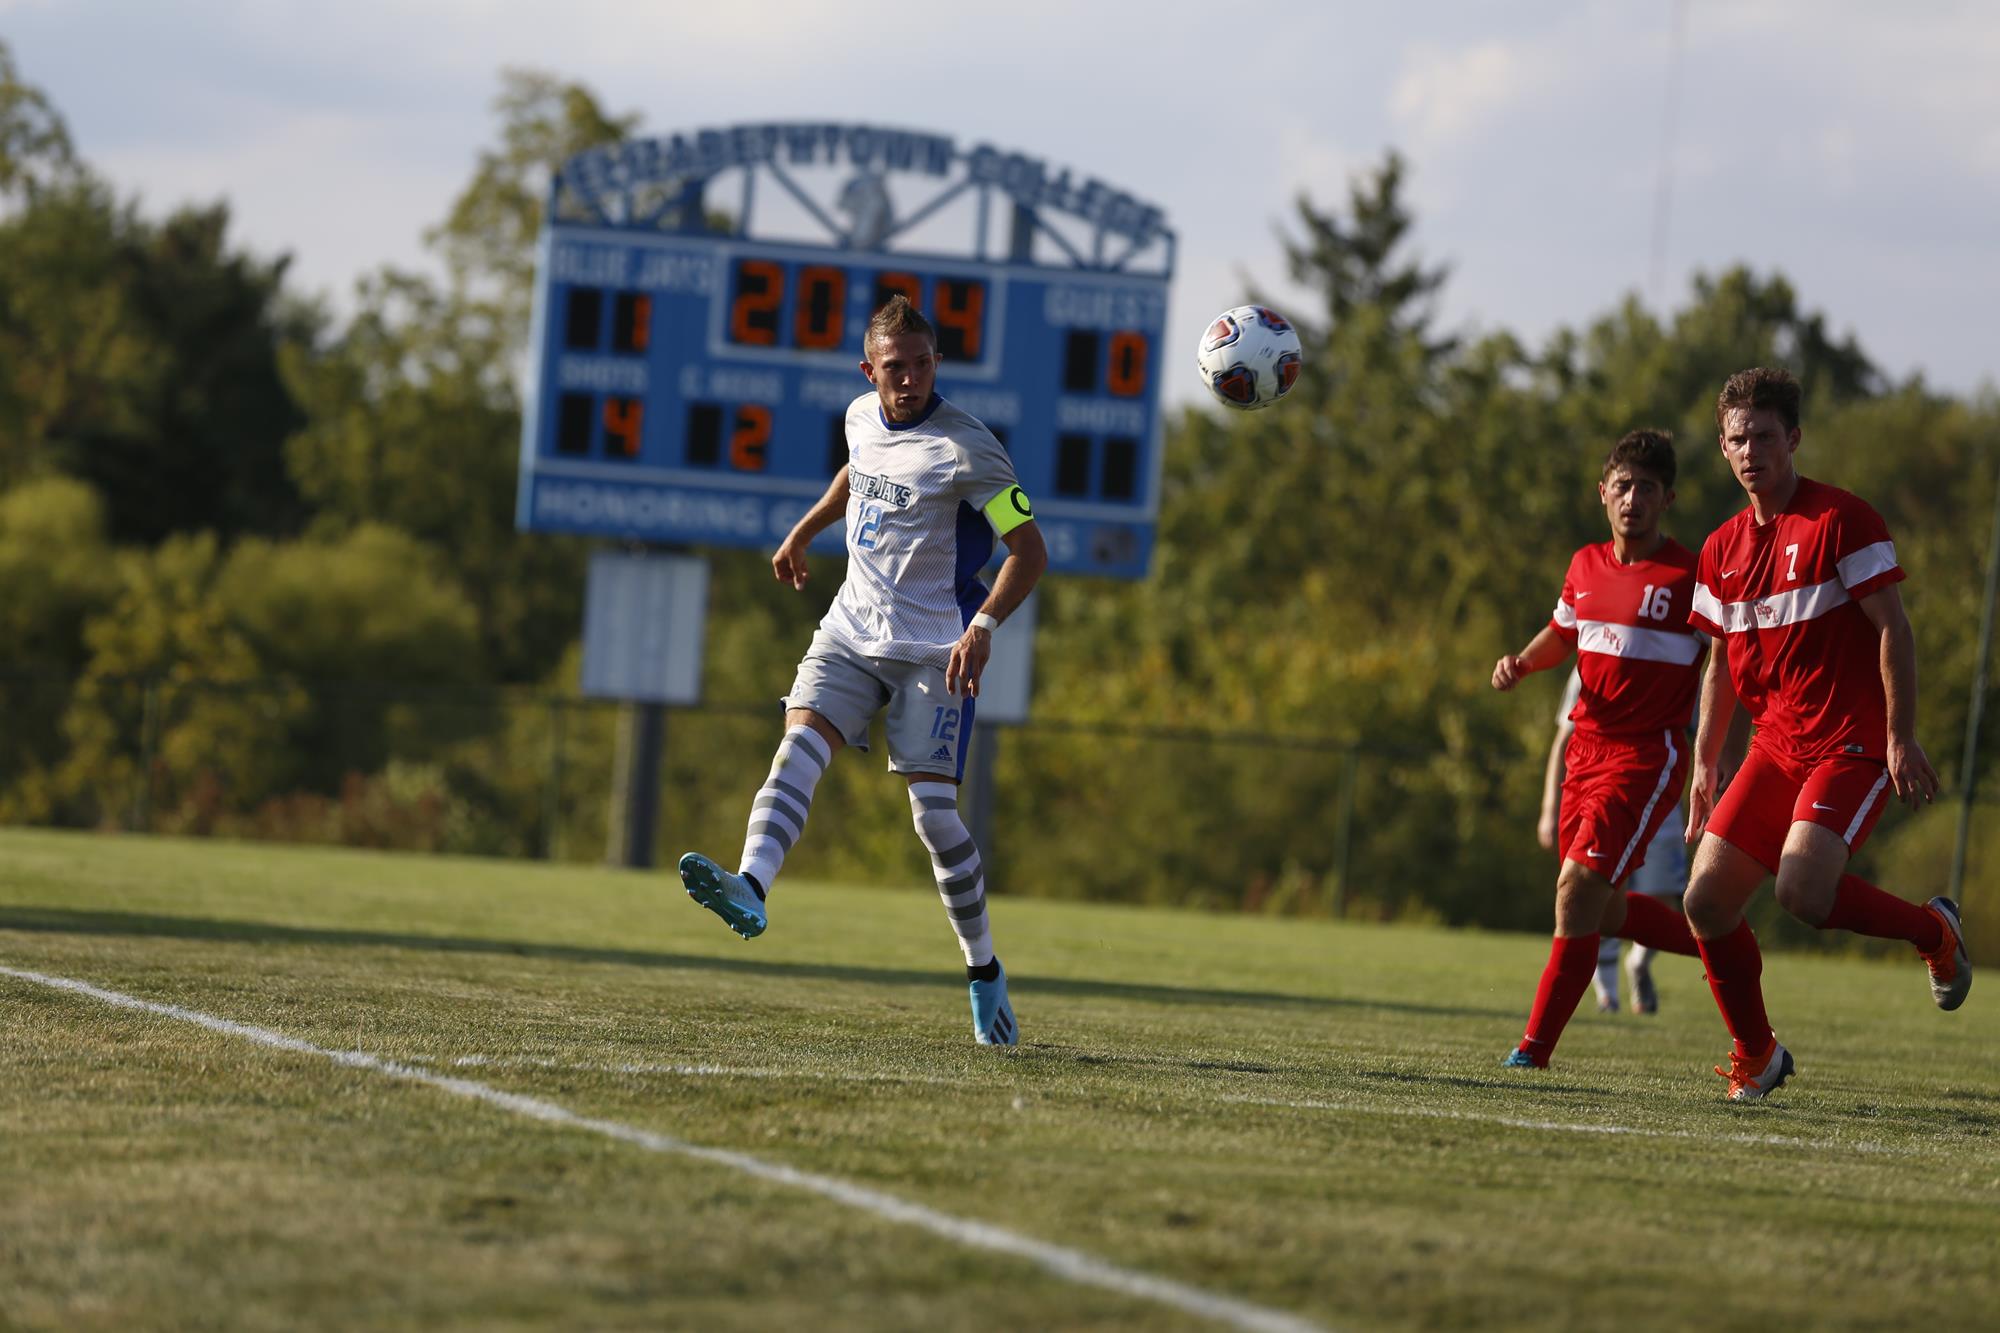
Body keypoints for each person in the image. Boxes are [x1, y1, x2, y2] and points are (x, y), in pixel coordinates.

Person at [676, 296, 1048, 1046]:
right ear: (868, 371)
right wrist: (805, 529)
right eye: (894, 367)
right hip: (849, 629)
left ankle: (983, 971)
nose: (908, 379)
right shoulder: (858, 417)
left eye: (921, 365)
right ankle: (752, 886)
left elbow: (1030, 551)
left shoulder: (968, 447)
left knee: (933, 818)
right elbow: (856, 474)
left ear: (936, 363)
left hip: (934, 648)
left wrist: (982, 627)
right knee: (797, 746)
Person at [1683, 366, 1968, 1101]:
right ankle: (1758, 1055)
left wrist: (1901, 736)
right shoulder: (1719, 549)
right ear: (1723, 447)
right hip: (1774, 748)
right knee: (1705, 901)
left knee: (1802, 892)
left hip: (1851, 741)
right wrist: (1705, 763)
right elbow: (1719, 663)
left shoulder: (1841, 519)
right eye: (1738, 439)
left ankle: (1934, 933)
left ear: (1794, 439)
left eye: (1765, 436)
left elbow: (1894, 628)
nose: (1752, 451)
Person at [1492, 430, 1707, 1069]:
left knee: (1576, 890)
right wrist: (1522, 663)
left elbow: (1732, 659)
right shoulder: (1585, 564)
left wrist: (1722, 745)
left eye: (1647, 488)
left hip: (1646, 756)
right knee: (1606, 910)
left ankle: (1532, 1050)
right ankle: (1722, 942)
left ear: (1667, 499)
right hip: (1584, 753)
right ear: (1603, 493)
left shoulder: (1690, 577)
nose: (1632, 498)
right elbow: (1562, 633)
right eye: (1623, 486)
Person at [1539, 667, 1688, 1015]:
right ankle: (1607, 994)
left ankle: (1642, 962)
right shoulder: (1591, 659)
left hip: (1658, 789)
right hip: (1602, 790)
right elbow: (1564, 737)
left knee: (1663, 895)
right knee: (1594, 890)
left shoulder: (1681, 655)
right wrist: (1549, 809)